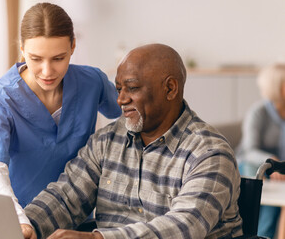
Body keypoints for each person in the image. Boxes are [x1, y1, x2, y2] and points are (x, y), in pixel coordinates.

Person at [21, 43, 243, 239]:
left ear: (170, 88)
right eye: (118, 89)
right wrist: (23, 225)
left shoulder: (210, 153)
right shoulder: (106, 141)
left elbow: (184, 227)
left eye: (132, 88)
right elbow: (65, 198)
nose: (120, 99)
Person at [0, 2, 121, 228]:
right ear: (22, 49)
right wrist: (19, 220)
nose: (47, 71)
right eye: (36, 59)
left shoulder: (92, 82)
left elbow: (128, 111)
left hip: (80, 217)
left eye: (58, 58)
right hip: (26, 220)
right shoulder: (1, 101)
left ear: (73, 46)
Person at [236, 64, 285, 239]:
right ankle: (262, 235)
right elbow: (249, 151)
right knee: (269, 208)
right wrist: (271, 161)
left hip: (280, 168)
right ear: (278, 86)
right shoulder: (259, 112)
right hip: (255, 166)